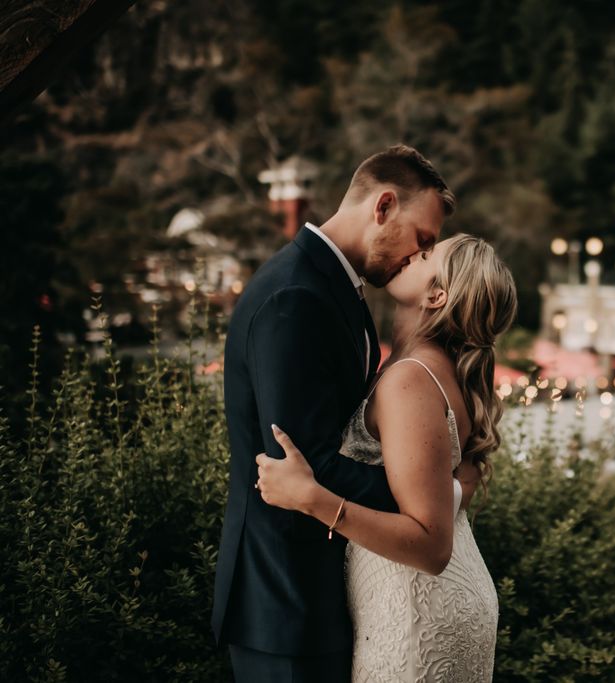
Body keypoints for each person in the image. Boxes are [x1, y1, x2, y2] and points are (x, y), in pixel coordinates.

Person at [213, 145, 458, 682]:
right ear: (384, 206)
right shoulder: (295, 296)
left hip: (323, 593)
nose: (418, 258)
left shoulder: (339, 289)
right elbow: (303, 460)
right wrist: (430, 499)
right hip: (284, 600)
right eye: (422, 240)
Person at [256, 233, 517, 681]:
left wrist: (310, 499)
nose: (415, 251)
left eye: (428, 253)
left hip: (417, 608)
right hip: (431, 595)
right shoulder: (425, 368)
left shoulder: (410, 380)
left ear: (438, 294)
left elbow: (432, 546)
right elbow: (458, 483)